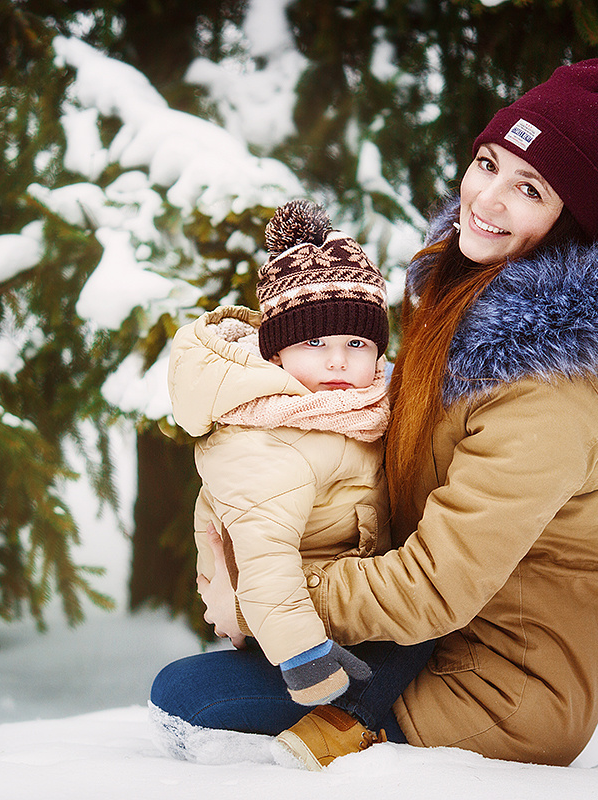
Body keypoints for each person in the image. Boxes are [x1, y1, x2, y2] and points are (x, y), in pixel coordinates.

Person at [150, 57, 598, 769]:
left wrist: (274, 594)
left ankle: (355, 730)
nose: (487, 198)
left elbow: (434, 586)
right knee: (207, 682)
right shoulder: (464, 301)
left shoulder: (547, 390)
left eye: (529, 188)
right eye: (487, 162)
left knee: (189, 695)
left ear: (568, 221)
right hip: (421, 636)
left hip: (503, 687)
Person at [163, 199, 435, 755]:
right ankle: (341, 722)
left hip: (337, 600)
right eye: (314, 343)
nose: (337, 362)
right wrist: (303, 654)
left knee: (428, 610)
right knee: (419, 628)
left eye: (355, 345)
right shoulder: (269, 435)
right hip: (300, 622)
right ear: (277, 353)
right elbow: (264, 554)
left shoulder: (355, 411)